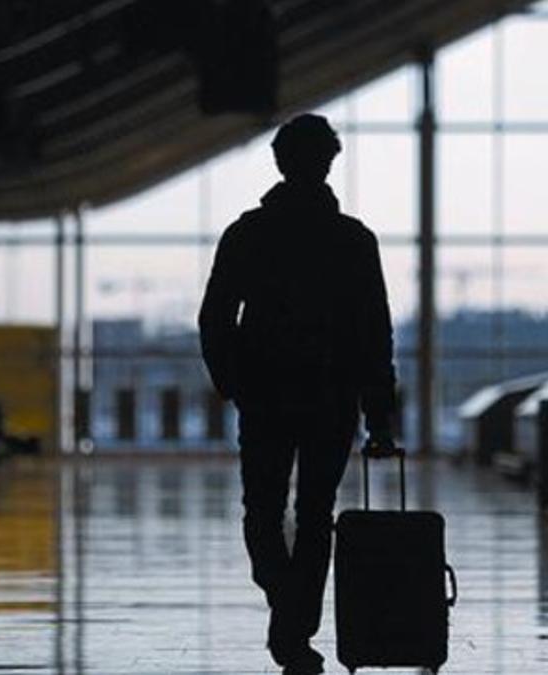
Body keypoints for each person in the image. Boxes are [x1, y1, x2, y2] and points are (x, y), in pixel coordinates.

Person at [199, 113, 397, 674]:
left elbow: (215, 316)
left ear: (280, 163)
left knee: (262, 513)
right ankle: (294, 623)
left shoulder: (248, 234)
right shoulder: (354, 241)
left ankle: (286, 613)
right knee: (316, 515)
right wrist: (379, 415)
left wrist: (232, 380)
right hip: (331, 399)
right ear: (329, 162)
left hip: (264, 395)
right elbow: (373, 333)